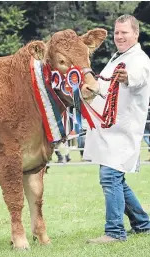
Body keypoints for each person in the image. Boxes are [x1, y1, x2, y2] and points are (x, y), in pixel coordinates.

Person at [84, 14, 150, 244]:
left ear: (136, 34)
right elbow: (103, 85)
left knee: (110, 176)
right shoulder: (117, 57)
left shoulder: (139, 60)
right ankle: (143, 224)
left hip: (123, 130)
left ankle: (114, 232)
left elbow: (139, 77)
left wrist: (127, 77)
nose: (119, 36)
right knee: (116, 179)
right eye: (117, 32)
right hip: (111, 130)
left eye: (124, 32)